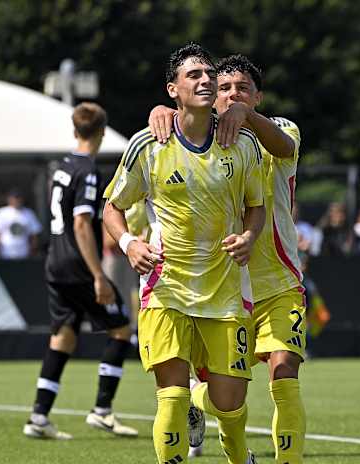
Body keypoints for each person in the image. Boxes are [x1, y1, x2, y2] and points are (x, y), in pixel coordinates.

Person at [103, 44, 265, 464]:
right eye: (194, 75)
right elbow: (112, 207)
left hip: (226, 288)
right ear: (173, 89)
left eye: (209, 74)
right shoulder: (148, 144)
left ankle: (239, 453)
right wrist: (130, 243)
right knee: (170, 398)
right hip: (165, 288)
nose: (206, 80)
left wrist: (248, 236)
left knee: (229, 403)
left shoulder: (240, 143)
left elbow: (256, 206)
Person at [149, 53, 309, 463]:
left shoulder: (274, 129)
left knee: (284, 370)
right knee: (227, 396)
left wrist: (247, 117)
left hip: (277, 283)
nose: (232, 94)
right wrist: (165, 110)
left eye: (242, 88)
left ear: (258, 97)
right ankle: (199, 401)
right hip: (221, 287)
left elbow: (285, 144)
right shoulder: (201, 139)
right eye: (224, 88)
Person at [22, 102, 137, 441]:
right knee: (121, 330)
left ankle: (39, 416)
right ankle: (102, 410)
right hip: (77, 265)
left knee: (64, 336)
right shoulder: (87, 170)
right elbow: (82, 222)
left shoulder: (61, 167)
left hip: (54, 262)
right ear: (102, 132)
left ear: (75, 131)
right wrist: (99, 275)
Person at [0, 190, 42, 258]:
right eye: (14, 198)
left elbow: (34, 234)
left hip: (24, 253)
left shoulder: (29, 213)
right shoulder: (2, 212)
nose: (16, 200)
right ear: (9, 199)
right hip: (6, 253)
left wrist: (32, 251)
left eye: (18, 198)